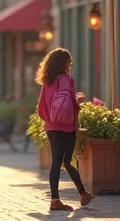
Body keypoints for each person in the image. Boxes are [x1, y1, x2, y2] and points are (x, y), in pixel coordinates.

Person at [35, 48, 91, 212]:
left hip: (51, 126)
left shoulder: (47, 81)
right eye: (69, 61)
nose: (70, 64)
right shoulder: (67, 80)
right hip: (67, 126)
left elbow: (42, 107)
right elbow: (70, 105)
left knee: (56, 162)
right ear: (64, 62)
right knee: (66, 162)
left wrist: (50, 120)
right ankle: (72, 196)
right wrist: (78, 100)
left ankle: (71, 196)